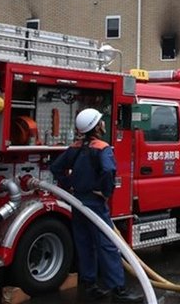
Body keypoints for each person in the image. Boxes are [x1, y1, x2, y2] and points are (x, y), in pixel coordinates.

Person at [51, 108, 143, 303]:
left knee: (85, 243)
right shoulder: (102, 148)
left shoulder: (75, 148)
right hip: (94, 203)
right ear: (96, 126)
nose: (103, 123)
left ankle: (90, 285)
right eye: (101, 121)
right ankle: (118, 290)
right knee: (107, 244)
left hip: (78, 203)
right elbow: (109, 171)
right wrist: (106, 192)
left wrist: (69, 184)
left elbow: (56, 167)